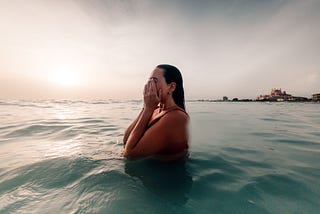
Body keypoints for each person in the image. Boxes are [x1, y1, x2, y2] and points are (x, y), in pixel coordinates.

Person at [123, 64, 189, 161]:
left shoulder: (176, 117)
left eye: (154, 81)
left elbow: (130, 154)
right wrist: (146, 108)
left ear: (171, 87)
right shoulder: (155, 110)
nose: (150, 86)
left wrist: (147, 109)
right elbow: (126, 140)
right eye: (149, 81)